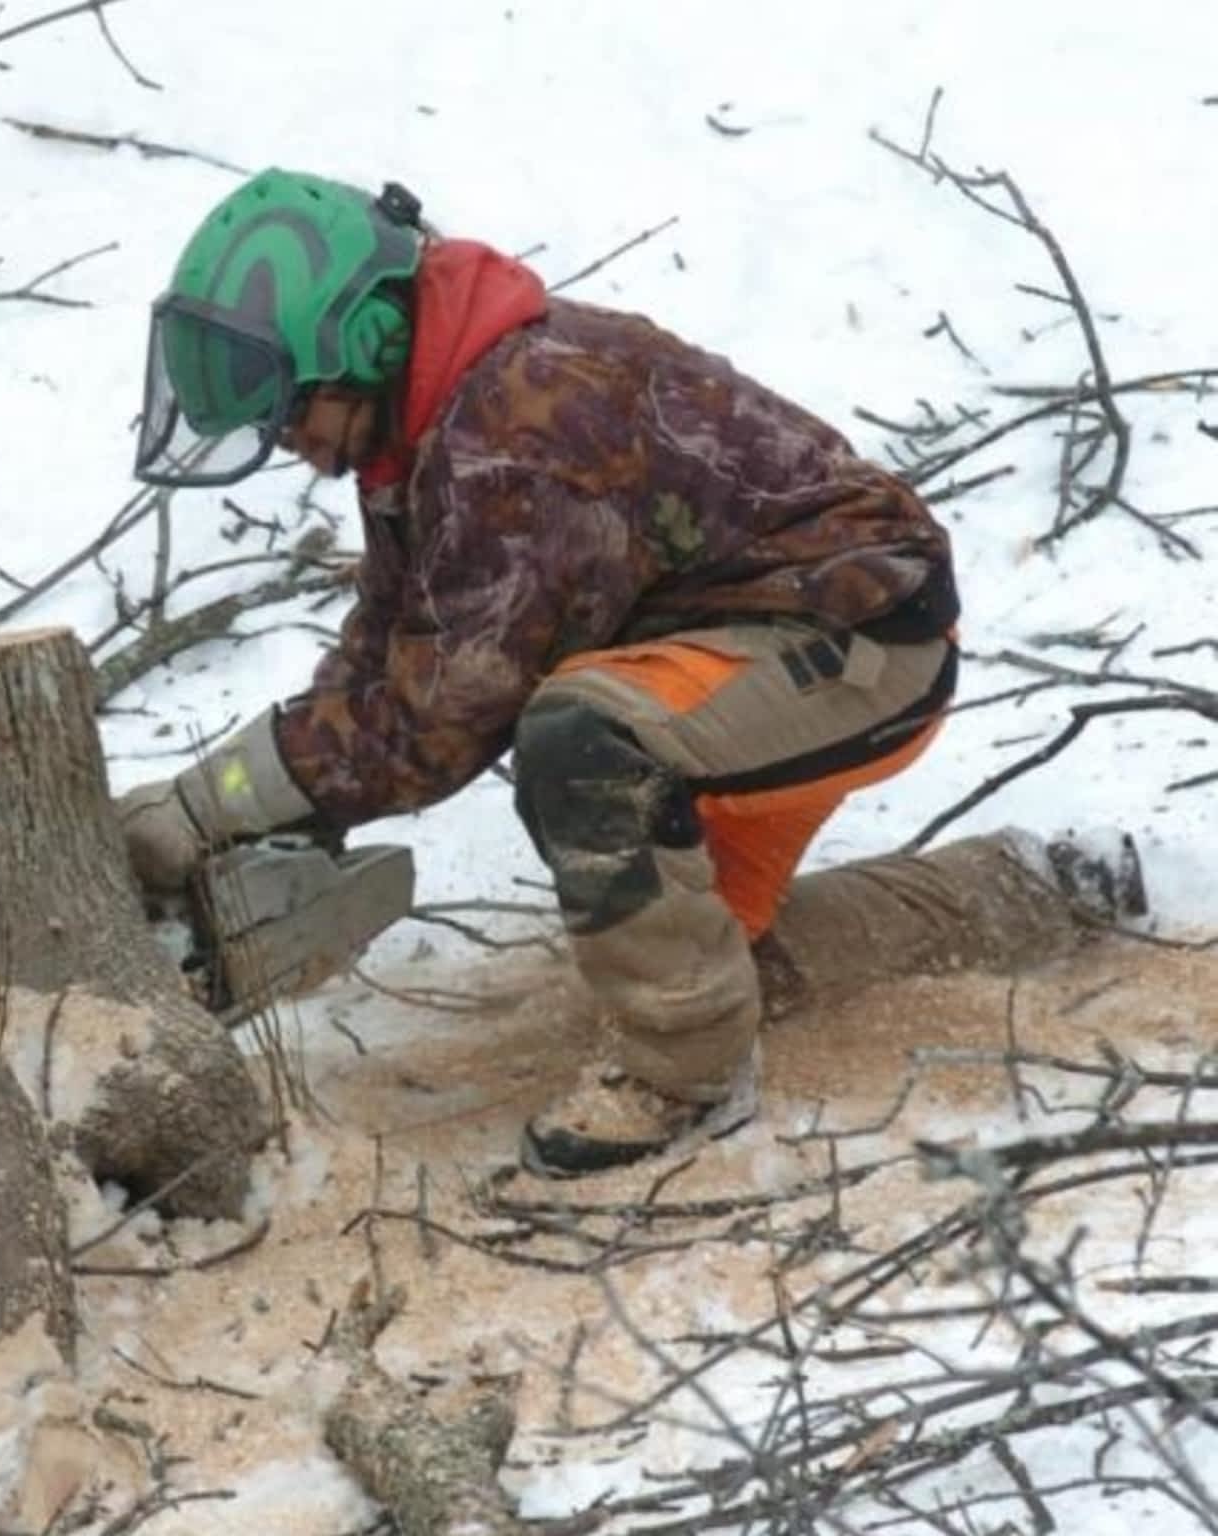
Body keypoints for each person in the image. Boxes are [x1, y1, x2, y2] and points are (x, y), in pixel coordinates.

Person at [116, 167, 960, 1177]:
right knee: (729, 958)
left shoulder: (512, 437)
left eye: (295, 416)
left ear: (367, 341)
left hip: (856, 643)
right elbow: (392, 638)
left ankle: (683, 1079)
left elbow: (439, 722)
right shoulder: (430, 417)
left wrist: (211, 805)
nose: (296, 447)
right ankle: (1022, 888)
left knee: (582, 744)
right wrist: (259, 797)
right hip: (734, 649)